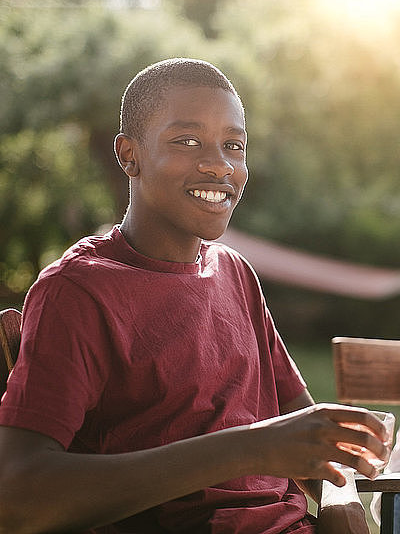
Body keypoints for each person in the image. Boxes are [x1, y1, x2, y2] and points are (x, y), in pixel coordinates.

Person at [0, 58, 389, 534]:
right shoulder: (78, 291)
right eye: (186, 141)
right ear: (129, 155)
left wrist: (345, 495)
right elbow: (17, 495)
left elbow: (306, 436)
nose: (219, 164)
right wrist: (250, 448)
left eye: (234, 145)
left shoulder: (235, 274)